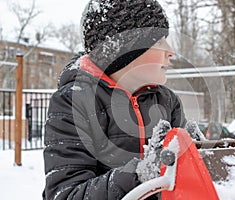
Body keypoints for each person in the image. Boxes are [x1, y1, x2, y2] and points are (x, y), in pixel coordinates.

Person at [43, 0, 187, 199]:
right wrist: (139, 175)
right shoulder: (74, 101)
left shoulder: (166, 100)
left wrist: (198, 155)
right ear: (126, 51)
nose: (170, 51)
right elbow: (66, 194)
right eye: (159, 41)